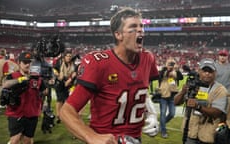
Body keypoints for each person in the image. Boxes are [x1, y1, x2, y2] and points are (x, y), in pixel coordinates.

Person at [60, 7, 159, 144]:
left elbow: (141, 92)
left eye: (141, 26)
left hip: (134, 139)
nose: (140, 30)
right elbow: (67, 111)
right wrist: (91, 136)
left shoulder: (148, 59)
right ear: (118, 35)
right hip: (106, 139)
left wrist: (152, 114)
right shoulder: (99, 63)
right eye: (133, 27)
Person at [174, 58, 228, 144]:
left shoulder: (220, 90)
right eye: (204, 70)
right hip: (190, 133)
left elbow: (216, 112)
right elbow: (176, 102)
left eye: (210, 71)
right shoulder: (193, 84)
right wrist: (183, 92)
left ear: (215, 73)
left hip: (208, 136)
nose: (207, 73)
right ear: (199, 71)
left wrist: (198, 107)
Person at [2, 51, 48, 144]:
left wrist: (45, 102)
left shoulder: (37, 77)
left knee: (28, 140)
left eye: (30, 62)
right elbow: (5, 84)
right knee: (15, 139)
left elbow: (44, 91)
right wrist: (20, 80)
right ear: (19, 63)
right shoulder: (13, 75)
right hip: (16, 113)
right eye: (25, 62)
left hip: (32, 113)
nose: (28, 65)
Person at [158, 58, 183, 138]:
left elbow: (181, 77)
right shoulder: (163, 71)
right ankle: (163, 131)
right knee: (162, 113)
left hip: (172, 96)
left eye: (172, 64)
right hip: (163, 95)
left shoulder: (175, 72)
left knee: (172, 114)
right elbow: (161, 75)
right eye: (170, 64)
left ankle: (161, 124)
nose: (171, 65)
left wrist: (177, 69)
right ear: (166, 64)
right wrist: (168, 69)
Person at [53, 50, 77, 123]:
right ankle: (58, 115)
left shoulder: (73, 65)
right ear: (64, 57)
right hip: (59, 83)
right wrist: (58, 75)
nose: (69, 58)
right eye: (67, 56)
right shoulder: (59, 63)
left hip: (68, 84)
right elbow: (54, 69)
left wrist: (69, 80)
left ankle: (63, 114)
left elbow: (74, 74)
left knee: (66, 100)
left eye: (70, 56)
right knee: (59, 99)